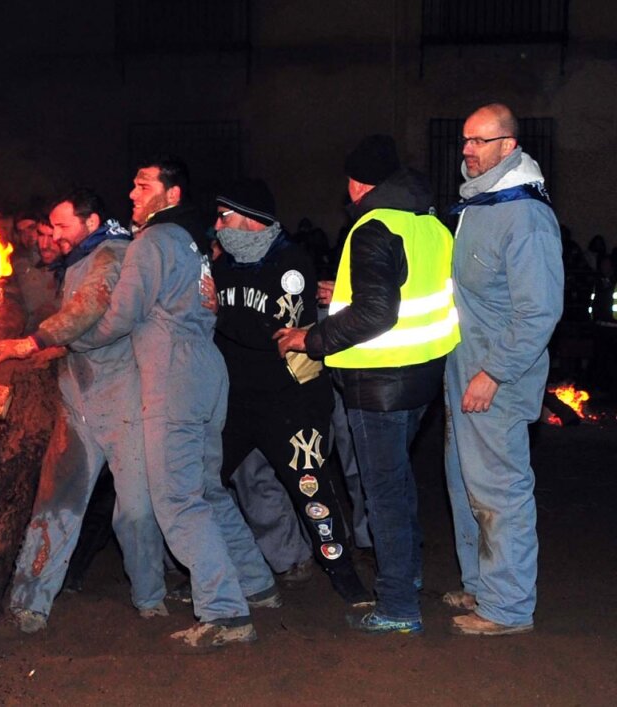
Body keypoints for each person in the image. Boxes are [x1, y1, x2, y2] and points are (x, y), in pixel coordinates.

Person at [73, 157, 276, 650]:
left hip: (174, 375)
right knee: (207, 490)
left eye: (143, 185)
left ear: (172, 194)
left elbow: (122, 315)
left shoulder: (152, 241)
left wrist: (75, 340)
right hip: (208, 369)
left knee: (177, 499)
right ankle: (256, 583)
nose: (132, 193)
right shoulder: (193, 242)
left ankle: (224, 612)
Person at [276, 135, 460, 635]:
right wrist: (346, 292)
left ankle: (398, 605)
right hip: (421, 377)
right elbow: (408, 289)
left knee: (383, 495)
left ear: (357, 183)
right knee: (398, 484)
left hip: (379, 383)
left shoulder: (372, 226)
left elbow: (378, 312)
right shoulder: (429, 222)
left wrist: (310, 338)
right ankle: (409, 576)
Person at [0, 189, 166, 632]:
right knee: (55, 502)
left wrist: (33, 342)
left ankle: (150, 597)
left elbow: (90, 307)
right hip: (77, 398)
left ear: (91, 222)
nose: (54, 236)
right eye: (51, 228)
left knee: (136, 509)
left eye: (62, 226)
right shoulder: (76, 259)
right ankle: (30, 603)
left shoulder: (113, 254)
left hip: (122, 399)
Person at [210, 179, 373, 607]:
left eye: (224, 217)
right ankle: (226, 574)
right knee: (199, 483)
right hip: (237, 404)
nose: (218, 226)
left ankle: (347, 580)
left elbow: (275, 334)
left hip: (289, 403)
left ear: (250, 219)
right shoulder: (223, 267)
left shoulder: (291, 263)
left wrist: (217, 314)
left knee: (312, 491)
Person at [443, 104, 563, 636]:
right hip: (464, 368)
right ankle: (481, 585)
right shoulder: (481, 203)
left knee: (499, 491)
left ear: (508, 146)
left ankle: (508, 607)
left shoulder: (524, 214)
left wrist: (492, 373)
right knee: (464, 482)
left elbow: (539, 310)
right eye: (465, 140)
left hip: (496, 379)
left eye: (479, 141)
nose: (467, 149)